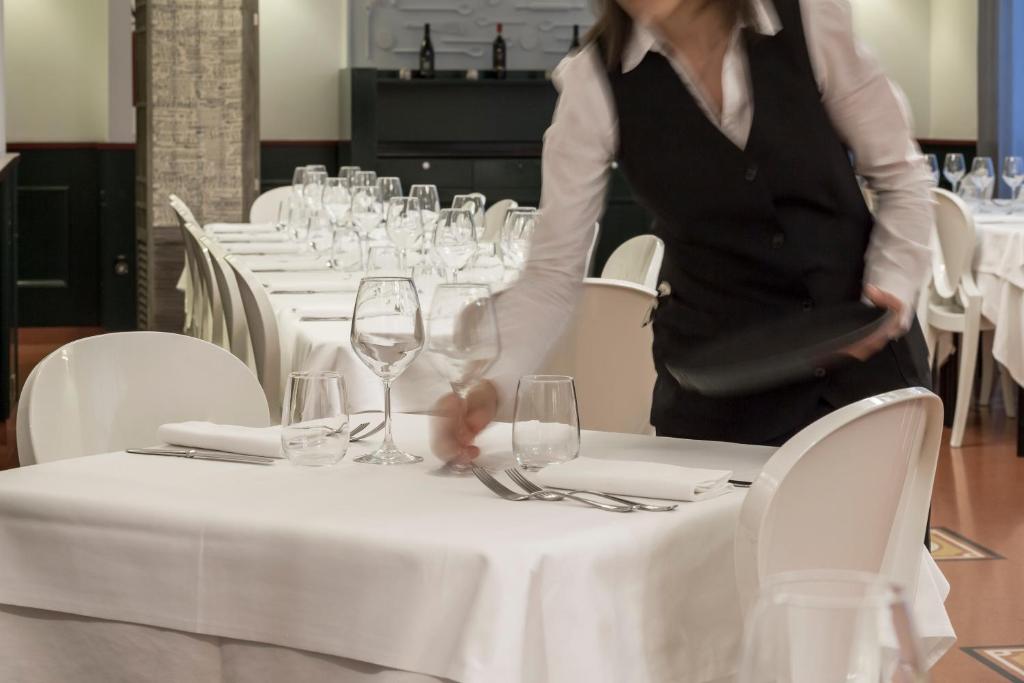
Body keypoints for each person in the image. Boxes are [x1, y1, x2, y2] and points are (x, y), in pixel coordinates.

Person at [432, 0, 933, 462]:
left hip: (863, 385)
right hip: (719, 398)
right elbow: (551, 272)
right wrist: (493, 384)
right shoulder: (593, 82)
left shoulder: (808, 20)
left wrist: (888, 289)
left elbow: (901, 177)